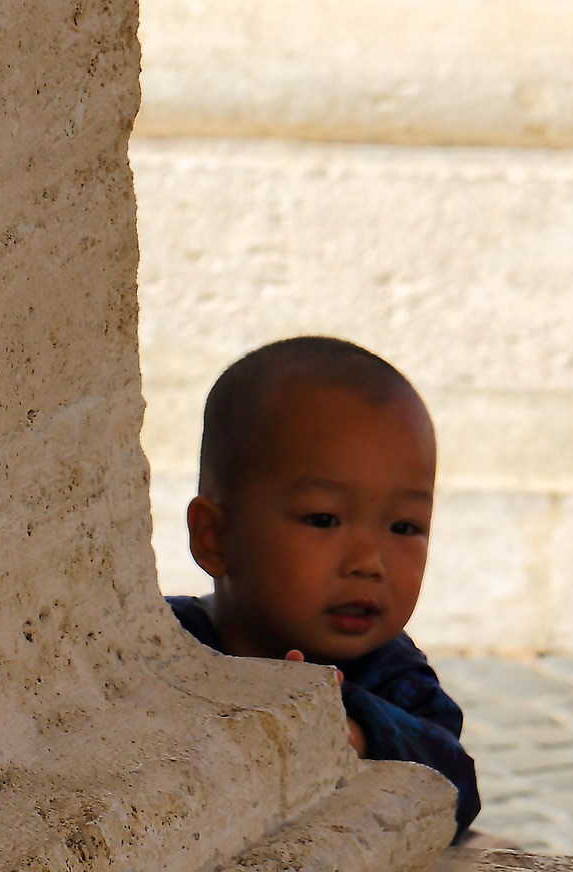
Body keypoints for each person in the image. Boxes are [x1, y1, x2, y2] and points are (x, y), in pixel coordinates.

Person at [168, 336, 481, 838]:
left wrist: (350, 729)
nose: (368, 562)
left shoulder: (389, 672)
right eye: (324, 518)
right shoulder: (166, 649)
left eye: (404, 527)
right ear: (216, 537)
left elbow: (455, 790)